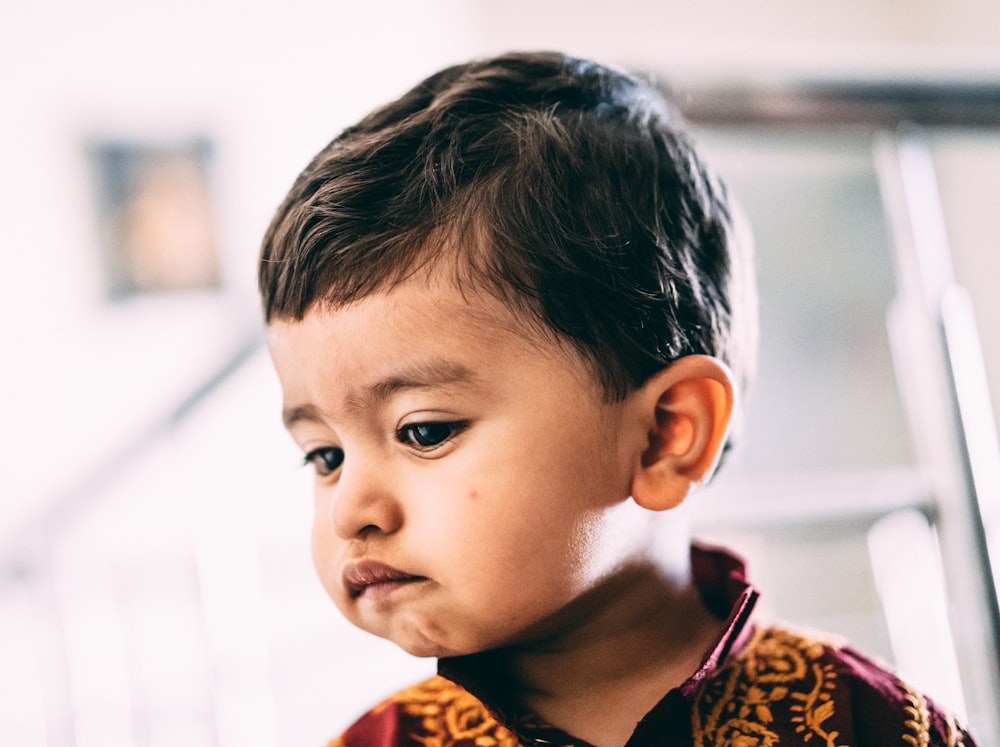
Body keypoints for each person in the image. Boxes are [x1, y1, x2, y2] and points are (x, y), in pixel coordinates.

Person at [258, 51, 977, 746]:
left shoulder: (869, 726)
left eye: (423, 431)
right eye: (324, 454)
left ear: (667, 433)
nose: (351, 508)